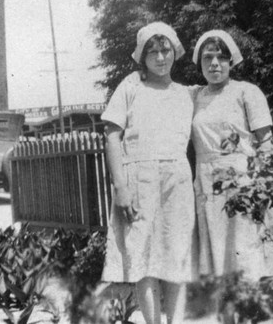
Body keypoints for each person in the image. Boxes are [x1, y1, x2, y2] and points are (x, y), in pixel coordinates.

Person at [100, 22, 196, 324]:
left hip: (176, 180)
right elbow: (111, 135)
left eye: (164, 49)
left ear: (175, 51)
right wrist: (120, 187)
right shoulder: (131, 85)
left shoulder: (187, 93)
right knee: (144, 258)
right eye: (151, 51)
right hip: (138, 181)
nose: (159, 57)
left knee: (176, 253)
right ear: (143, 56)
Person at [190, 30, 273, 322]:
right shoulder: (194, 96)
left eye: (221, 57)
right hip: (207, 184)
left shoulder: (247, 92)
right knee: (219, 263)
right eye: (208, 57)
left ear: (232, 61)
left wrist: (263, 186)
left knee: (246, 257)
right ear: (200, 62)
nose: (215, 63)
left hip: (243, 183)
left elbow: (266, 142)